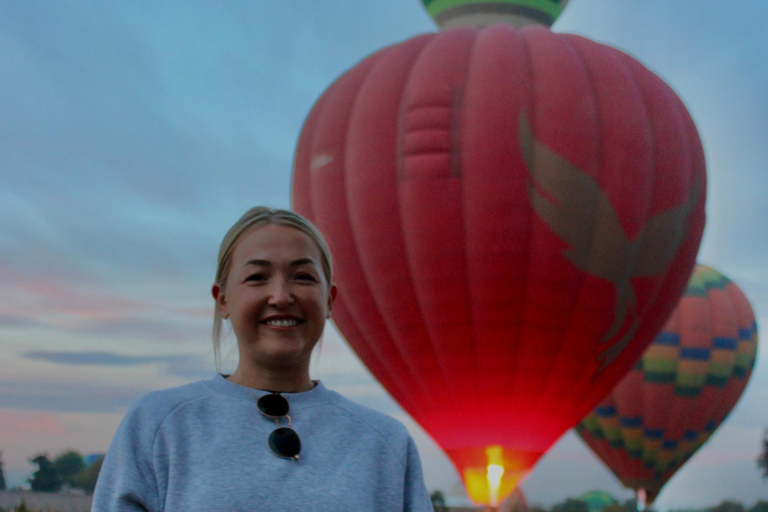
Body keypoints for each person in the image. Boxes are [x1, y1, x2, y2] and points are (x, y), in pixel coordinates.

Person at [91, 206, 434, 511]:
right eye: (257, 277)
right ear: (222, 299)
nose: (281, 296)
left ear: (329, 301)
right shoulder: (160, 426)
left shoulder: (385, 443)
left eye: (303, 277)